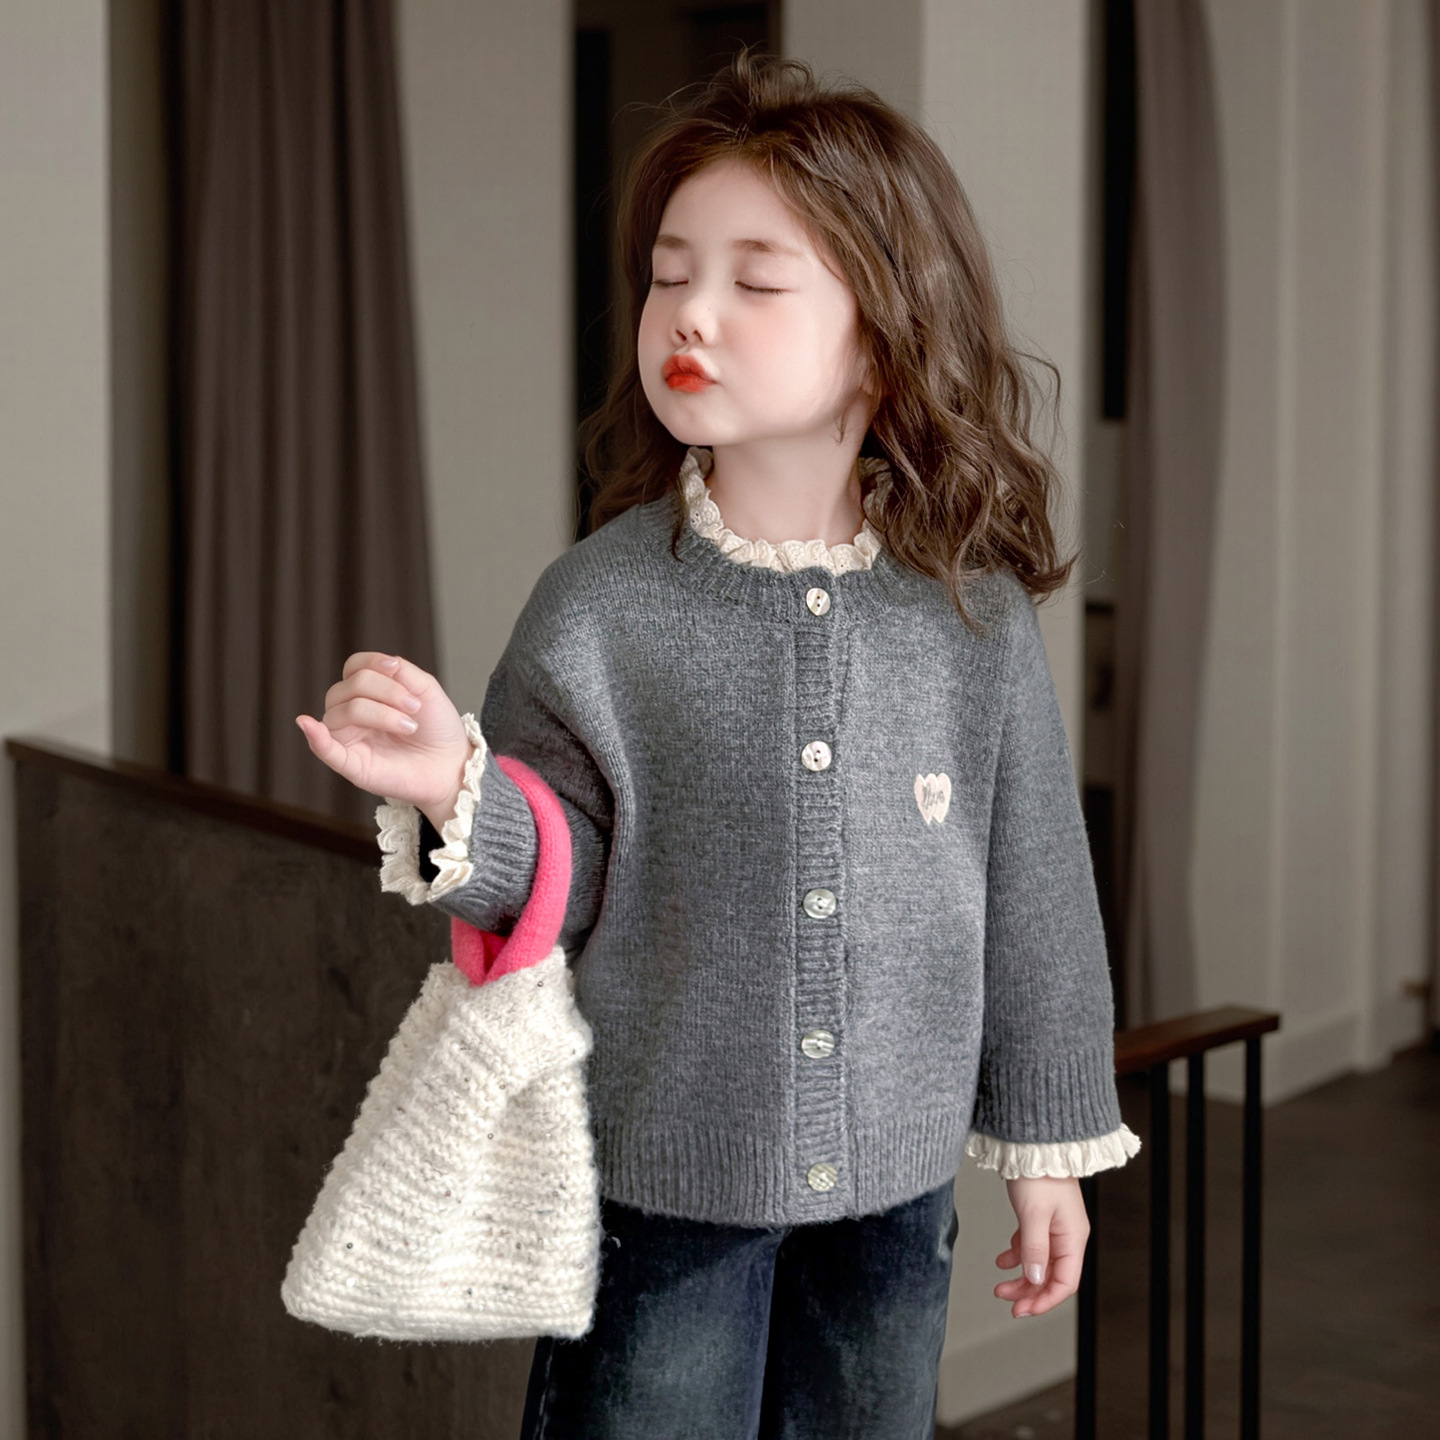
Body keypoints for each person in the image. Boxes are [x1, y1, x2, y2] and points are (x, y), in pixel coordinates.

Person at [296, 47, 1141, 1440]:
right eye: (669, 274)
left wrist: (1049, 1150)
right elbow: (560, 869)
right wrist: (456, 786)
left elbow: (1036, 894)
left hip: (898, 1200)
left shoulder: (969, 615)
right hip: (660, 1196)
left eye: (756, 282)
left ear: (885, 332)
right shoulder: (600, 606)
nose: (691, 311)